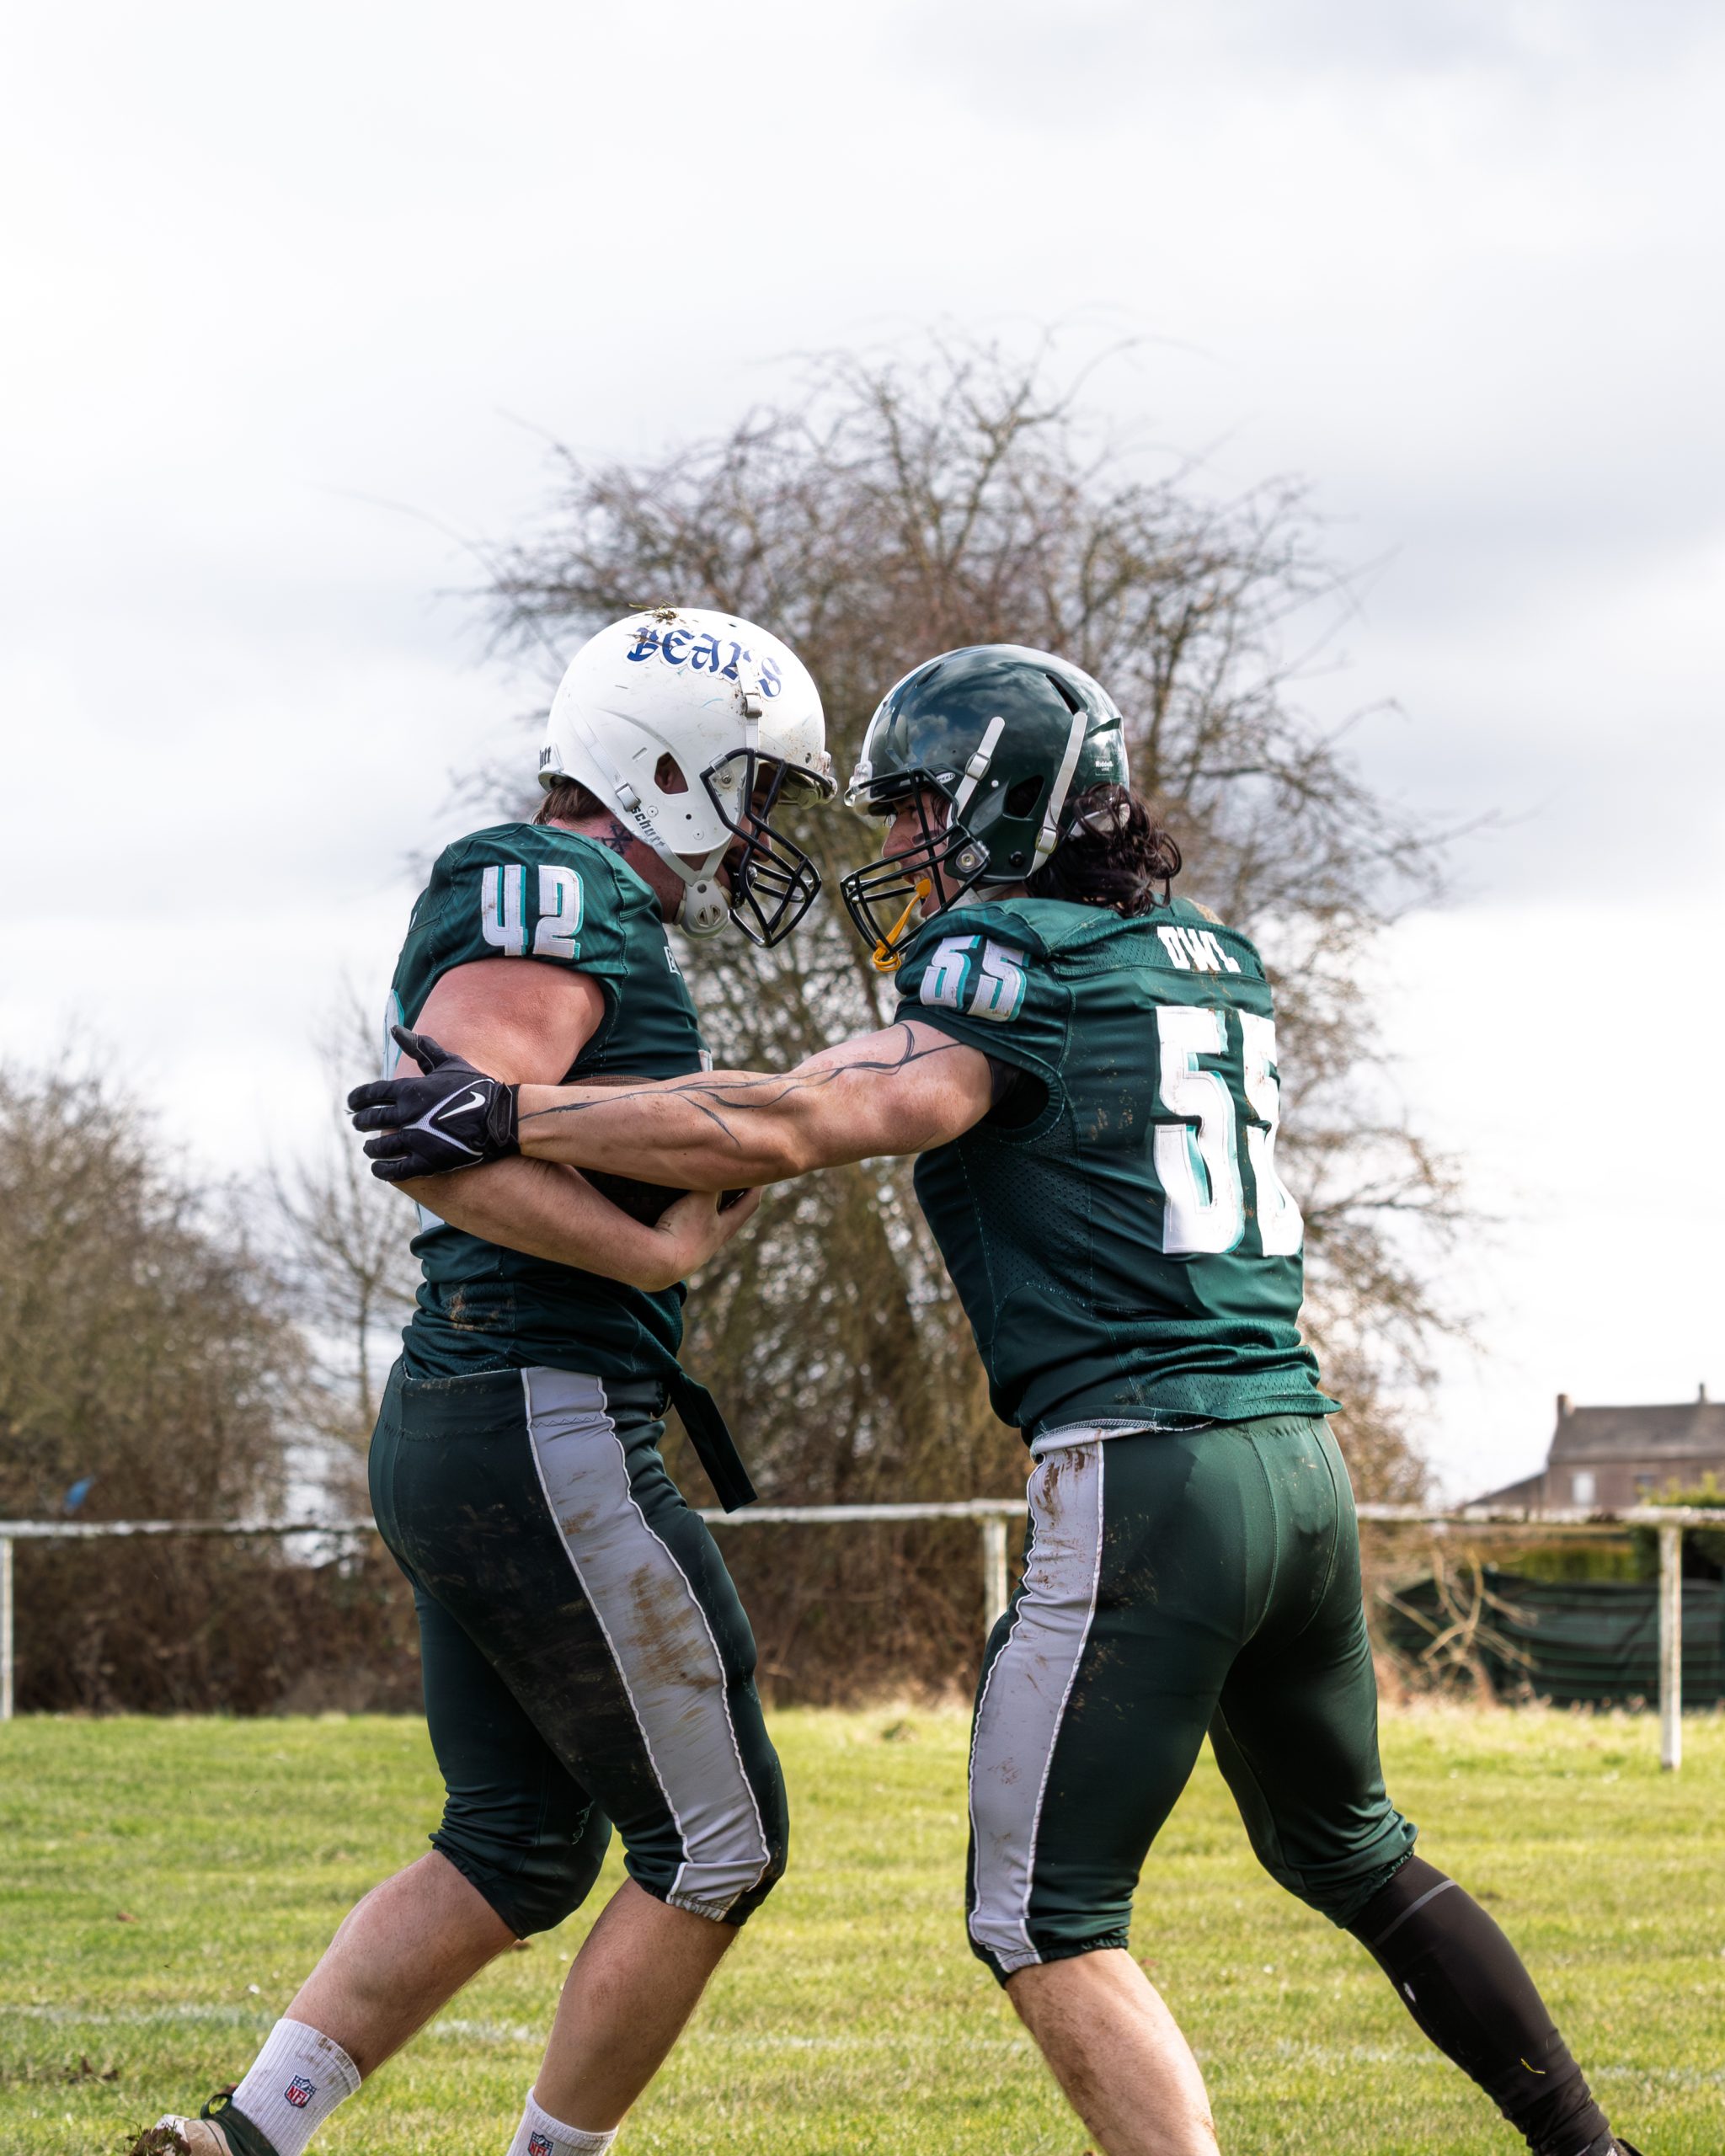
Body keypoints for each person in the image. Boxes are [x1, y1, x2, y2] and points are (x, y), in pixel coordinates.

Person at [350, 642, 1642, 2156]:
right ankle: (1591, 2149)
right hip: (1298, 1466)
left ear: (1005, 804)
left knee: (1044, 1918)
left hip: (1148, 1477)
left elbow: (815, 1116)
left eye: (917, 810)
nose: (901, 844)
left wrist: (512, 1111)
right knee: (1354, 1851)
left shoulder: (1004, 956)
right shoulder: (1207, 959)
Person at [136, 608, 834, 2156]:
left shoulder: (595, 908)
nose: (762, 827)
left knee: (516, 1844)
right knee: (720, 1846)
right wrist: (650, 1253)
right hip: (540, 1413)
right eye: (756, 785)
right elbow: (435, 1131)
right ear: (665, 767)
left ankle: (244, 2140)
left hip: (486, 1415)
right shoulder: (555, 884)